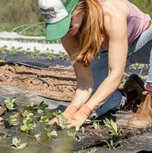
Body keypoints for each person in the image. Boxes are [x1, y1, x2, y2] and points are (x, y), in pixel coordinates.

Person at [39, 0, 152, 130]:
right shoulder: (68, 33)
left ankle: (149, 103)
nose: (65, 28)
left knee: (87, 109)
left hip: (142, 43)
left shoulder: (110, 11)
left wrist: (84, 112)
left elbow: (115, 74)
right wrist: (70, 112)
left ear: (79, 7)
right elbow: (85, 83)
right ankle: (130, 93)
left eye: (67, 22)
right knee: (92, 103)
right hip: (110, 52)